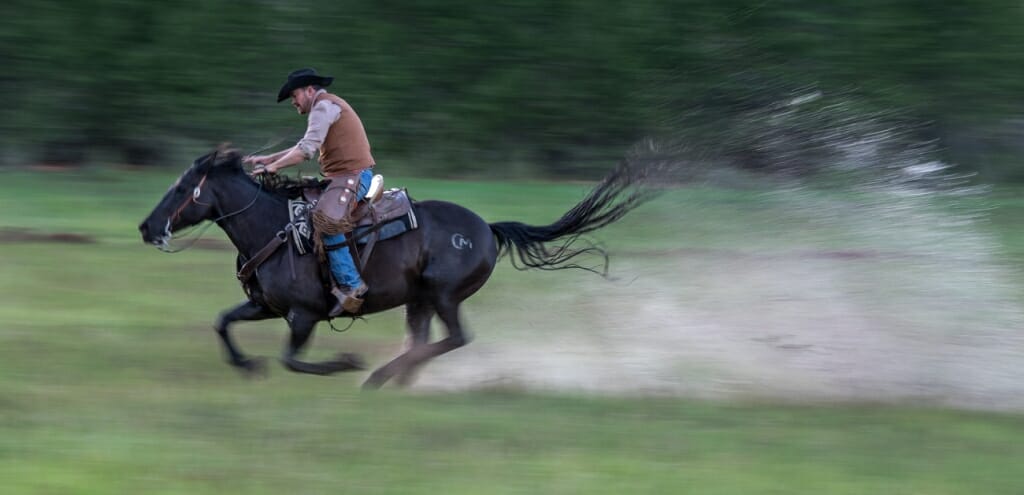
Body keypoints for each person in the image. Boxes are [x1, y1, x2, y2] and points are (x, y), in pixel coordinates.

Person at [245, 68, 375, 316]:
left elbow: (306, 151)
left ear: (309, 90)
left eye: (294, 95)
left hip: (353, 177)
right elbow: (302, 146)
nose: (293, 102)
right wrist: (269, 158)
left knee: (327, 222)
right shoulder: (326, 106)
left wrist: (272, 167)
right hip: (343, 177)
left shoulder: (322, 108)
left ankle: (352, 285)